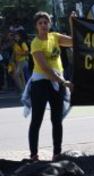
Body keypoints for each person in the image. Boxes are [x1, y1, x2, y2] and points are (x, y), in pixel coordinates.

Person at [28, 11, 75, 161]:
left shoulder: (55, 37)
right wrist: (63, 82)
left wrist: (72, 23)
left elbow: (74, 41)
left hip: (58, 82)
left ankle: (57, 154)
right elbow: (45, 69)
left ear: (49, 24)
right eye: (40, 23)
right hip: (41, 82)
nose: (43, 25)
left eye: (45, 22)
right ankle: (34, 155)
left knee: (57, 120)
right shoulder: (35, 43)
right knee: (37, 119)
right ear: (36, 26)